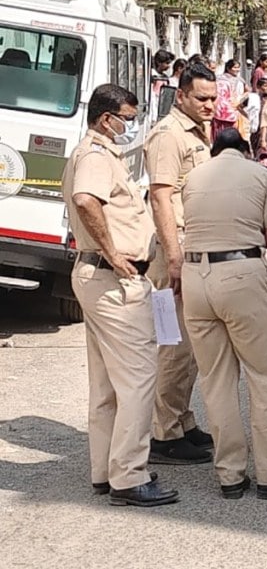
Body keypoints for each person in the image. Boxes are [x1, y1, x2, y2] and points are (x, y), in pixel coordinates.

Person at [63, 84, 179, 507]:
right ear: (106, 118)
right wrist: (113, 251)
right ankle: (129, 475)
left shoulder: (100, 153)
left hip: (102, 276)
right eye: (128, 119)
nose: (132, 126)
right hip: (112, 278)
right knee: (137, 381)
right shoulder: (96, 156)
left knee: (107, 385)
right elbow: (85, 200)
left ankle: (106, 469)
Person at [179, 128, 267, 500]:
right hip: (241, 275)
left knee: (216, 381)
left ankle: (230, 474)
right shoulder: (260, 175)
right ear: (246, 151)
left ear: (214, 151)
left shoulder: (193, 178)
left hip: (194, 279)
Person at [143, 63, 217, 466]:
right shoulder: (168, 135)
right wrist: (173, 257)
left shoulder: (196, 130)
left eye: (213, 98)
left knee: (191, 345)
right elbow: (160, 196)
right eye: (202, 98)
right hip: (177, 249)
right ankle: (164, 433)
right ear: (182, 95)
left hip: (196, 245)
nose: (210, 105)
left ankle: (182, 420)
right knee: (174, 344)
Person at [213, 59, 245, 142]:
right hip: (226, 110)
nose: (237, 69)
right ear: (228, 68)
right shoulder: (220, 79)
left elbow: (245, 91)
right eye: (235, 67)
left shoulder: (239, 80)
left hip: (233, 107)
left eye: (238, 67)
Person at [245, 77, 267, 147]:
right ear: (258, 87)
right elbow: (239, 106)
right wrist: (247, 116)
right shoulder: (253, 98)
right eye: (265, 86)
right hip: (256, 126)